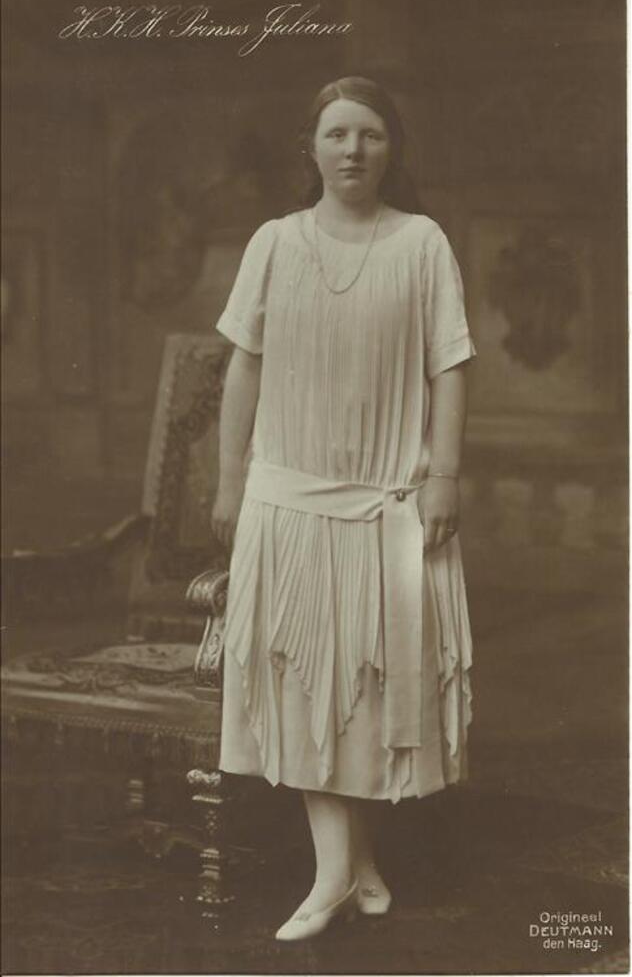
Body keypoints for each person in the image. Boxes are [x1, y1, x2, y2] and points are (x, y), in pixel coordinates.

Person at [210, 76, 477, 942]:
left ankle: (351, 869)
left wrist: (443, 477)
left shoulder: (422, 243)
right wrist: (229, 481)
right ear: (312, 147)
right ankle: (337, 875)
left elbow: (449, 367)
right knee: (301, 681)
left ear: (391, 148)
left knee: (360, 689)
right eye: (337, 134)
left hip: (387, 500)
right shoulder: (275, 242)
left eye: (370, 134)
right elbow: (244, 365)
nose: (354, 149)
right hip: (286, 498)